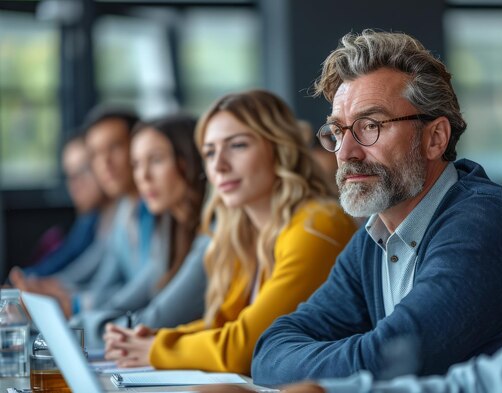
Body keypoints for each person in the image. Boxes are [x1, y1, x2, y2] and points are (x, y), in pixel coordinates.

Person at [218, 17, 502, 393]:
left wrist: (329, 381)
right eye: (338, 131)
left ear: (435, 139)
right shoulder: (374, 237)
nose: (346, 151)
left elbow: (395, 361)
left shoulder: (486, 219)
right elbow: (269, 349)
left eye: (370, 127)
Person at [102, 90, 357, 375]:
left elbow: (248, 345)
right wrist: (154, 340)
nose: (219, 165)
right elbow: (222, 324)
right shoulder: (242, 234)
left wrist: (158, 348)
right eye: (209, 152)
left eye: (237, 146)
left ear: (279, 148)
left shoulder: (317, 225)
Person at [10, 107, 162, 320]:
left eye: (115, 147)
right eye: (96, 154)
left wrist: (74, 304)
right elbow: (104, 281)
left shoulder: (159, 210)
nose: (105, 163)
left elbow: (150, 288)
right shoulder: (125, 210)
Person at [76, 114, 210, 347]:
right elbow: (123, 302)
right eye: (136, 164)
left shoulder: (211, 233)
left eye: (156, 160)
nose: (143, 177)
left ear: (188, 161)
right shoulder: (170, 229)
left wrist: (72, 331)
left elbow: (154, 320)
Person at [21, 134, 108, 277]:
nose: (75, 184)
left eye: (83, 170)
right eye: (70, 175)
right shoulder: (88, 218)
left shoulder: (115, 218)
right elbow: (64, 257)